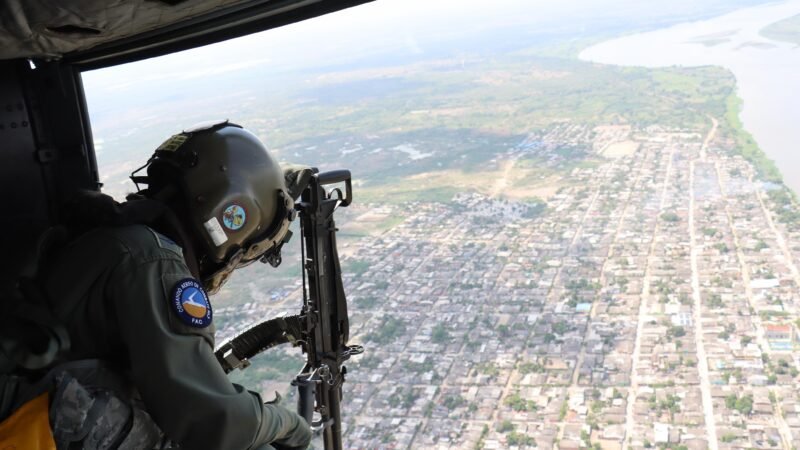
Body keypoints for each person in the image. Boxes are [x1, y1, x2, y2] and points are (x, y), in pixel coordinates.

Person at [0, 121, 314, 449]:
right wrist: (290, 425)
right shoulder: (153, 260)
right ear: (229, 214)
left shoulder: (118, 237)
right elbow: (214, 422)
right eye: (245, 251)